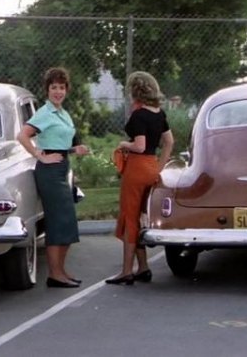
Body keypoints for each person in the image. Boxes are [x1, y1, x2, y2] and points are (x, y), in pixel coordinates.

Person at [16, 67, 90, 288]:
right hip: (49, 172)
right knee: (59, 223)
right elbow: (23, 135)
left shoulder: (63, 113)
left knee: (67, 224)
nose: (58, 91)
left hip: (62, 169)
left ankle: (60, 271)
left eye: (61, 87)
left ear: (66, 89)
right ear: (47, 90)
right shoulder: (45, 113)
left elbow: (61, 141)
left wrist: (75, 150)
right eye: (53, 87)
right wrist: (40, 155)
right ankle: (55, 274)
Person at [106, 71, 173, 285]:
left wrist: (123, 144)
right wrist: (159, 167)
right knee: (141, 215)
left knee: (130, 217)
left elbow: (139, 145)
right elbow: (169, 142)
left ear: (134, 92)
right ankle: (143, 267)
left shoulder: (138, 116)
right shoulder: (159, 113)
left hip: (136, 169)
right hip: (151, 167)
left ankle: (127, 270)